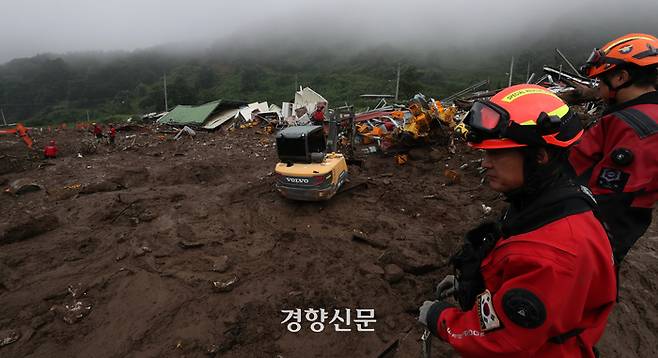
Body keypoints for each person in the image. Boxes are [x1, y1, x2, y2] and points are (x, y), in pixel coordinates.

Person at [418, 84, 616, 357]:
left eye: (497, 154)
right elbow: (516, 265)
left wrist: (442, 320)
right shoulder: (546, 202)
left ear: (539, 156)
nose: (485, 163)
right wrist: (476, 284)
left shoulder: (553, 256)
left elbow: (504, 341)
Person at [570, 33, 658, 264]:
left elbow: (610, 198)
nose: (598, 87)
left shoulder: (636, 127)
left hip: (595, 228)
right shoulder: (633, 115)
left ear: (621, 77)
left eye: (601, 80)